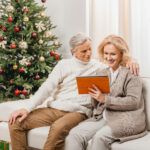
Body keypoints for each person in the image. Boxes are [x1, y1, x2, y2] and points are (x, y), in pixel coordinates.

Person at [9, 33, 139, 150]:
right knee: (16, 123)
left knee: (58, 128)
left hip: (79, 111)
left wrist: (132, 60)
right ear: (73, 52)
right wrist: (26, 108)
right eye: (83, 51)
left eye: (90, 49)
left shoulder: (99, 66)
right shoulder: (63, 65)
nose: (88, 53)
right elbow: (47, 88)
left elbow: (116, 59)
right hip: (56, 108)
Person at [65, 35, 146, 150]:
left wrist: (104, 98)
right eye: (106, 53)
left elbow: (133, 101)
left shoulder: (131, 73)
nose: (108, 57)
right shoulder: (102, 72)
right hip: (104, 116)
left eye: (113, 54)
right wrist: (94, 95)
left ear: (122, 54)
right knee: (74, 136)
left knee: (99, 138)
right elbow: (96, 103)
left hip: (127, 119)